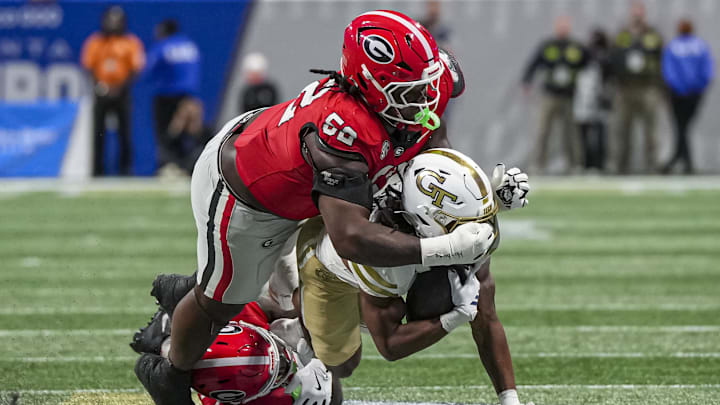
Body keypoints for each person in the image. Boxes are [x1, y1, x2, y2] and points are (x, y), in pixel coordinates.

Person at [134, 11, 500, 405]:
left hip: (296, 169)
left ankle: (197, 286)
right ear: (373, 88)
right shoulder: (341, 132)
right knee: (220, 302)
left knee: (296, 299)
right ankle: (171, 372)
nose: (427, 100)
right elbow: (350, 238)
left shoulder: (413, 90)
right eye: (411, 92)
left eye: (427, 86)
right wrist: (445, 249)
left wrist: (473, 185)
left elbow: (432, 139)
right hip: (249, 192)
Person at [293, 149, 532, 405]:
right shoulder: (383, 258)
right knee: (342, 366)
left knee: (462, 284)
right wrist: (454, 317)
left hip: (400, 260)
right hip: (328, 271)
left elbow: (486, 315)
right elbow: (389, 344)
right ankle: (290, 312)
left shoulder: (425, 209)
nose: (476, 230)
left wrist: (510, 400)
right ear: (426, 224)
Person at [131, 294, 331, 405]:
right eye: (277, 374)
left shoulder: (238, 310)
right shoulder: (271, 400)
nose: (288, 362)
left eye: (278, 353)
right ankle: (166, 342)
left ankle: (167, 339)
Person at [81, 6, 145, 176]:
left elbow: (135, 68)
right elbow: (89, 67)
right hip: (101, 92)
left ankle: (125, 169)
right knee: (98, 133)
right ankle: (97, 170)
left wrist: (119, 88)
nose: (113, 24)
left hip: (122, 92)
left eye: (116, 21)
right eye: (110, 20)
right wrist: (100, 86)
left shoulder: (130, 42)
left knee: (124, 132)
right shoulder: (95, 42)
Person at [522, 16, 589, 173]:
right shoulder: (547, 46)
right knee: (543, 130)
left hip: (568, 95)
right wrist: (527, 81)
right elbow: (533, 63)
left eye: (565, 26)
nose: (563, 29)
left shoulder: (576, 47)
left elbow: (590, 62)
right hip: (550, 95)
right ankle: (538, 164)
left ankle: (575, 164)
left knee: (571, 132)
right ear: (555, 27)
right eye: (560, 26)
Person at [143, 19, 203, 176]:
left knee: (167, 132)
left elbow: (149, 69)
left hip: (166, 95)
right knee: (185, 131)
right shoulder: (189, 46)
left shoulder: (162, 47)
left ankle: (168, 165)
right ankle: (186, 165)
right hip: (188, 95)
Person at [610, 1, 663, 174]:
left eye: (640, 11)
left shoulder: (653, 35)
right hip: (625, 88)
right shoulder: (622, 35)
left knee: (651, 130)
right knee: (622, 129)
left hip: (647, 87)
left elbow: (662, 58)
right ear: (630, 13)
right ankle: (620, 167)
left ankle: (652, 166)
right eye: (634, 11)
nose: (637, 15)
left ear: (644, 14)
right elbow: (613, 58)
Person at [661, 19, 714, 175]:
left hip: (678, 94)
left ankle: (678, 160)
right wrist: (696, 88)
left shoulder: (673, 46)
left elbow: (668, 71)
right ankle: (683, 161)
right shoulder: (701, 46)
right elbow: (707, 71)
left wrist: (679, 88)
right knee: (683, 127)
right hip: (694, 94)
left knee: (681, 127)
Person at [574, 29, 613, 172]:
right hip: (584, 100)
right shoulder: (583, 58)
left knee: (600, 133)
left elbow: (610, 80)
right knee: (584, 134)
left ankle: (600, 163)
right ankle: (585, 163)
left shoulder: (607, 58)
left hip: (599, 100)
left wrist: (606, 97)